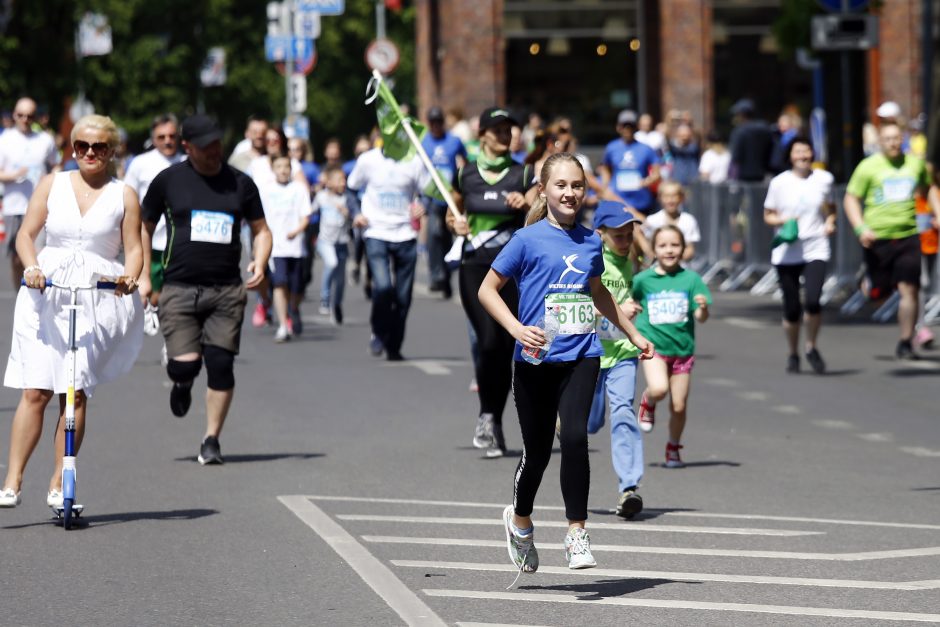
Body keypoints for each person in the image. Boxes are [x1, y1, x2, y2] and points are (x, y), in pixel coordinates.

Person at [478, 152, 653, 573]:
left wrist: (632, 332)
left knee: (574, 437)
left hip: (581, 355)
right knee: (536, 453)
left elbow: (597, 293)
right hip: (535, 359)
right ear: (544, 190)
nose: (570, 192)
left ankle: (577, 532)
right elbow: (487, 290)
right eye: (561, 185)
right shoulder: (526, 240)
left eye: (577, 185)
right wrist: (517, 329)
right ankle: (520, 521)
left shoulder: (593, 240)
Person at [0, 114, 143, 508]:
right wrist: (31, 267)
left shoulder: (124, 194)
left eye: (99, 147)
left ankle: (59, 479)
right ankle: (12, 478)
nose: (90, 153)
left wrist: (131, 277)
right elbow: (27, 235)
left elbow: (133, 249)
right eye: (82, 146)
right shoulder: (52, 184)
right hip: (46, 290)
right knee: (36, 389)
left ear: (112, 150)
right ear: (72, 148)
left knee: (74, 393)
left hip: (96, 294)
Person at [140, 114, 272, 465]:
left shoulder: (240, 184)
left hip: (226, 290)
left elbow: (261, 230)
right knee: (184, 367)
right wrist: (142, 274)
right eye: (206, 146)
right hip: (179, 288)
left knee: (221, 364)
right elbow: (144, 225)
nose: (214, 151)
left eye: (217, 144)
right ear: (188, 147)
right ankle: (182, 385)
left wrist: (260, 261)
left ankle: (211, 438)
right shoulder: (169, 181)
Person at [449, 107, 537, 458]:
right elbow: (453, 211)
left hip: (513, 270)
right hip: (475, 267)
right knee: (488, 341)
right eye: (498, 129)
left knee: (506, 346)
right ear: (482, 134)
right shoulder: (464, 174)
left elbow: (537, 207)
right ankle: (487, 417)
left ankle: (495, 421)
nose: (505, 135)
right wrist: (454, 224)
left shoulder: (523, 173)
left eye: (509, 129)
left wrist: (525, 205)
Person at [844, 122, 932, 360]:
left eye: (897, 138)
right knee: (877, 294)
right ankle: (868, 281)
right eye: (888, 139)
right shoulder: (868, 167)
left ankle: (905, 341)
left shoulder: (914, 164)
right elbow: (851, 199)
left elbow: (928, 188)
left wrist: (936, 213)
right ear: (880, 142)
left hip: (908, 235)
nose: (893, 143)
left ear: (902, 139)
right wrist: (861, 228)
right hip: (877, 237)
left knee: (909, 290)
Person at [586, 201, 645, 519]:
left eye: (629, 234)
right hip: (592, 353)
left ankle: (629, 488)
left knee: (623, 412)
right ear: (601, 235)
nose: (625, 241)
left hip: (622, 353)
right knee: (591, 422)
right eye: (618, 236)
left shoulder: (633, 263)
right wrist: (615, 310)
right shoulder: (593, 262)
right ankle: (564, 422)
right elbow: (576, 304)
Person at [635, 226, 711, 468]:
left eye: (675, 245)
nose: (669, 250)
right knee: (658, 389)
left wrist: (703, 307)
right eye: (663, 245)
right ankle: (648, 402)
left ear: (684, 248)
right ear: (654, 249)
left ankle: (673, 447)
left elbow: (701, 317)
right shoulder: (643, 280)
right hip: (654, 347)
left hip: (682, 352)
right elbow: (628, 301)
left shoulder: (691, 280)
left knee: (678, 405)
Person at [347, 144, 431, 361]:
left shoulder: (415, 160)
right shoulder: (368, 160)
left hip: (405, 234)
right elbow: (351, 188)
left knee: (403, 297)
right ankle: (378, 330)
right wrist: (356, 213)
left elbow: (429, 192)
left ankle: (394, 344)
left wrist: (423, 205)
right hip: (376, 231)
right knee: (383, 287)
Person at [763, 137, 835, 374]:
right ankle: (793, 352)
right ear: (790, 156)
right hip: (787, 250)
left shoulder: (824, 179)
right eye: (798, 152)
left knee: (813, 301)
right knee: (792, 308)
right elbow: (768, 215)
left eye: (806, 151)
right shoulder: (779, 183)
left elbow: (830, 206)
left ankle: (811, 346)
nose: (803, 155)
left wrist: (831, 222)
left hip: (816, 245)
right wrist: (784, 220)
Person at [125, 113, 185, 318]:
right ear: (154, 138)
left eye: (171, 136)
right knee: (150, 287)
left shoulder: (187, 161)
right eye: (161, 137)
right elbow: (128, 197)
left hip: (178, 240)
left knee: (172, 292)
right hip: (149, 239)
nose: (167, 141)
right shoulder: (140, 163)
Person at [0, 97, 59, 287]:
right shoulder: (5, 139)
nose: (25, 119)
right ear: (14, 115)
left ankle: (38, 295)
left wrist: (51, 178)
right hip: (14, 206)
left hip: (40, 206)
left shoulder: (45, 140)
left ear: (35, 117)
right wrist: (15, 175)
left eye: (29, 115)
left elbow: (56, 165)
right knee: (17, 258)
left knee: (39, 253)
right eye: (20, 115)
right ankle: (21, 292)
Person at [259, 154, 311, 342]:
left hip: (296, 247)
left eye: (286, 166)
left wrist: (296, 231)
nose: (283, 170)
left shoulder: (299, 189)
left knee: (297, 286)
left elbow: (306, 216)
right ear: (273, 170)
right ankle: (283, 325)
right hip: (276, 247)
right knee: (280, 283)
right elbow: (259, 219)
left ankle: (294, 307)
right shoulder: (266, 190)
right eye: (279, 166)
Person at [421, 106, 467, 299]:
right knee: (433, 234)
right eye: (432, 123)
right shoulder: (423, 142)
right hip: (432, 197)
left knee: (448, 236)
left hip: (450, 197)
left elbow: (465, 160)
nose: (436, 126)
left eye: (438, 122)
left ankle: (447, 276)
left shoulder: (454, 141)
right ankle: (436, 275)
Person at [599, 109, 660, 216]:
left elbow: (657, 173)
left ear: (636, 127)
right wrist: (606, 185)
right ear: (618, 127)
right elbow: (605, 168)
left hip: (641, 201)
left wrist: (645, 182)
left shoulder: (646, 149)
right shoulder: (611, 147)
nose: (627, 129)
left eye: (630, 126)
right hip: (617, 200)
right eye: (624, 126)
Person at [313, 165, 353, 324]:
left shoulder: (347, 199)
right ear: (329, 182)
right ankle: (325, 299)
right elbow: (310, 212)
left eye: (344, 179)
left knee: (341, 279)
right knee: (331, 263)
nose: (343, 182)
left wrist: (347, 213)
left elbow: (354, 218)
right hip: (325, 241)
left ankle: (336, 304)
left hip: (342, 243)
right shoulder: (321, 197)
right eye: (339, 179)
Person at [643, 181, 701, 262]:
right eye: (666, 196)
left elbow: (690, 249)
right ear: (659, 198)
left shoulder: (688, 220)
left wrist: (672, 262)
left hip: (680, 268)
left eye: (674, 196)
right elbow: (647, 245)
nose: (670, 200)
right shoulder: (652, 220)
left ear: (681, 198)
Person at [728, 98, 773, 182]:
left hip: (743, 177)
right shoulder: (765, 128)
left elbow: (736, 156)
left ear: (742, 114)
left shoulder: (739, 131)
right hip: (763, 174)